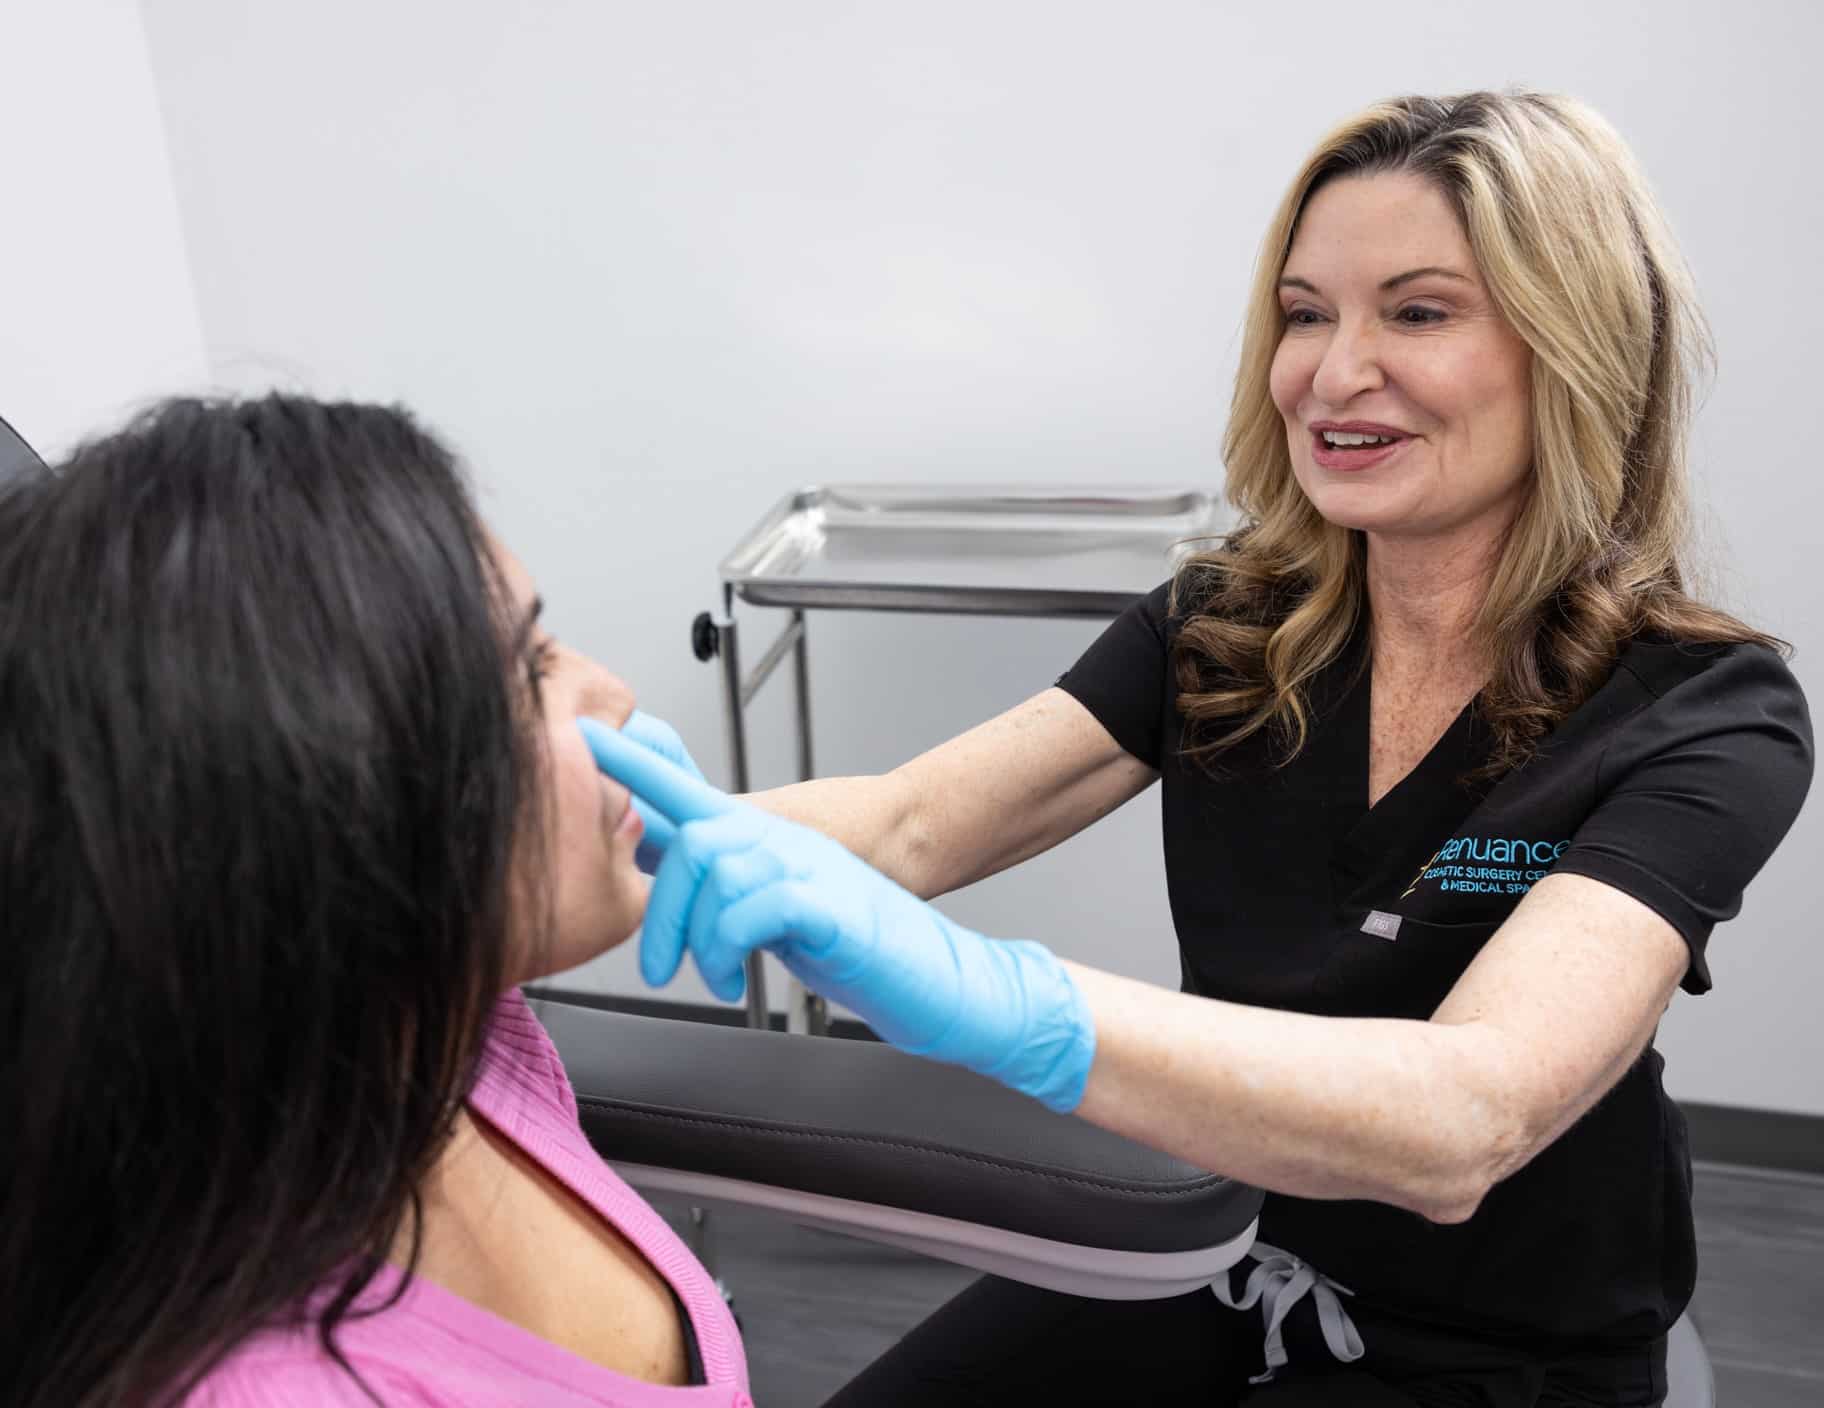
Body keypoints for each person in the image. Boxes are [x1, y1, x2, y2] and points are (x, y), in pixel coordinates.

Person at [597, 90, 1815, 1406]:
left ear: (1575, 350)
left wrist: (1020, 1008)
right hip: (1226, 1261)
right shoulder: (1231, 625)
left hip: (1500, 1357)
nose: (1332, 375)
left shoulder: (1700, 708)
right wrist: (620, 827)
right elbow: (910, 823)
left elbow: (1471, 1116)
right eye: (1305, 313)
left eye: (1417, 312)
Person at [0, 395, 754, 1407]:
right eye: (530, 672)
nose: (612, 693)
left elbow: (831, 833)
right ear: (345, 813)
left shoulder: (451, 1036)